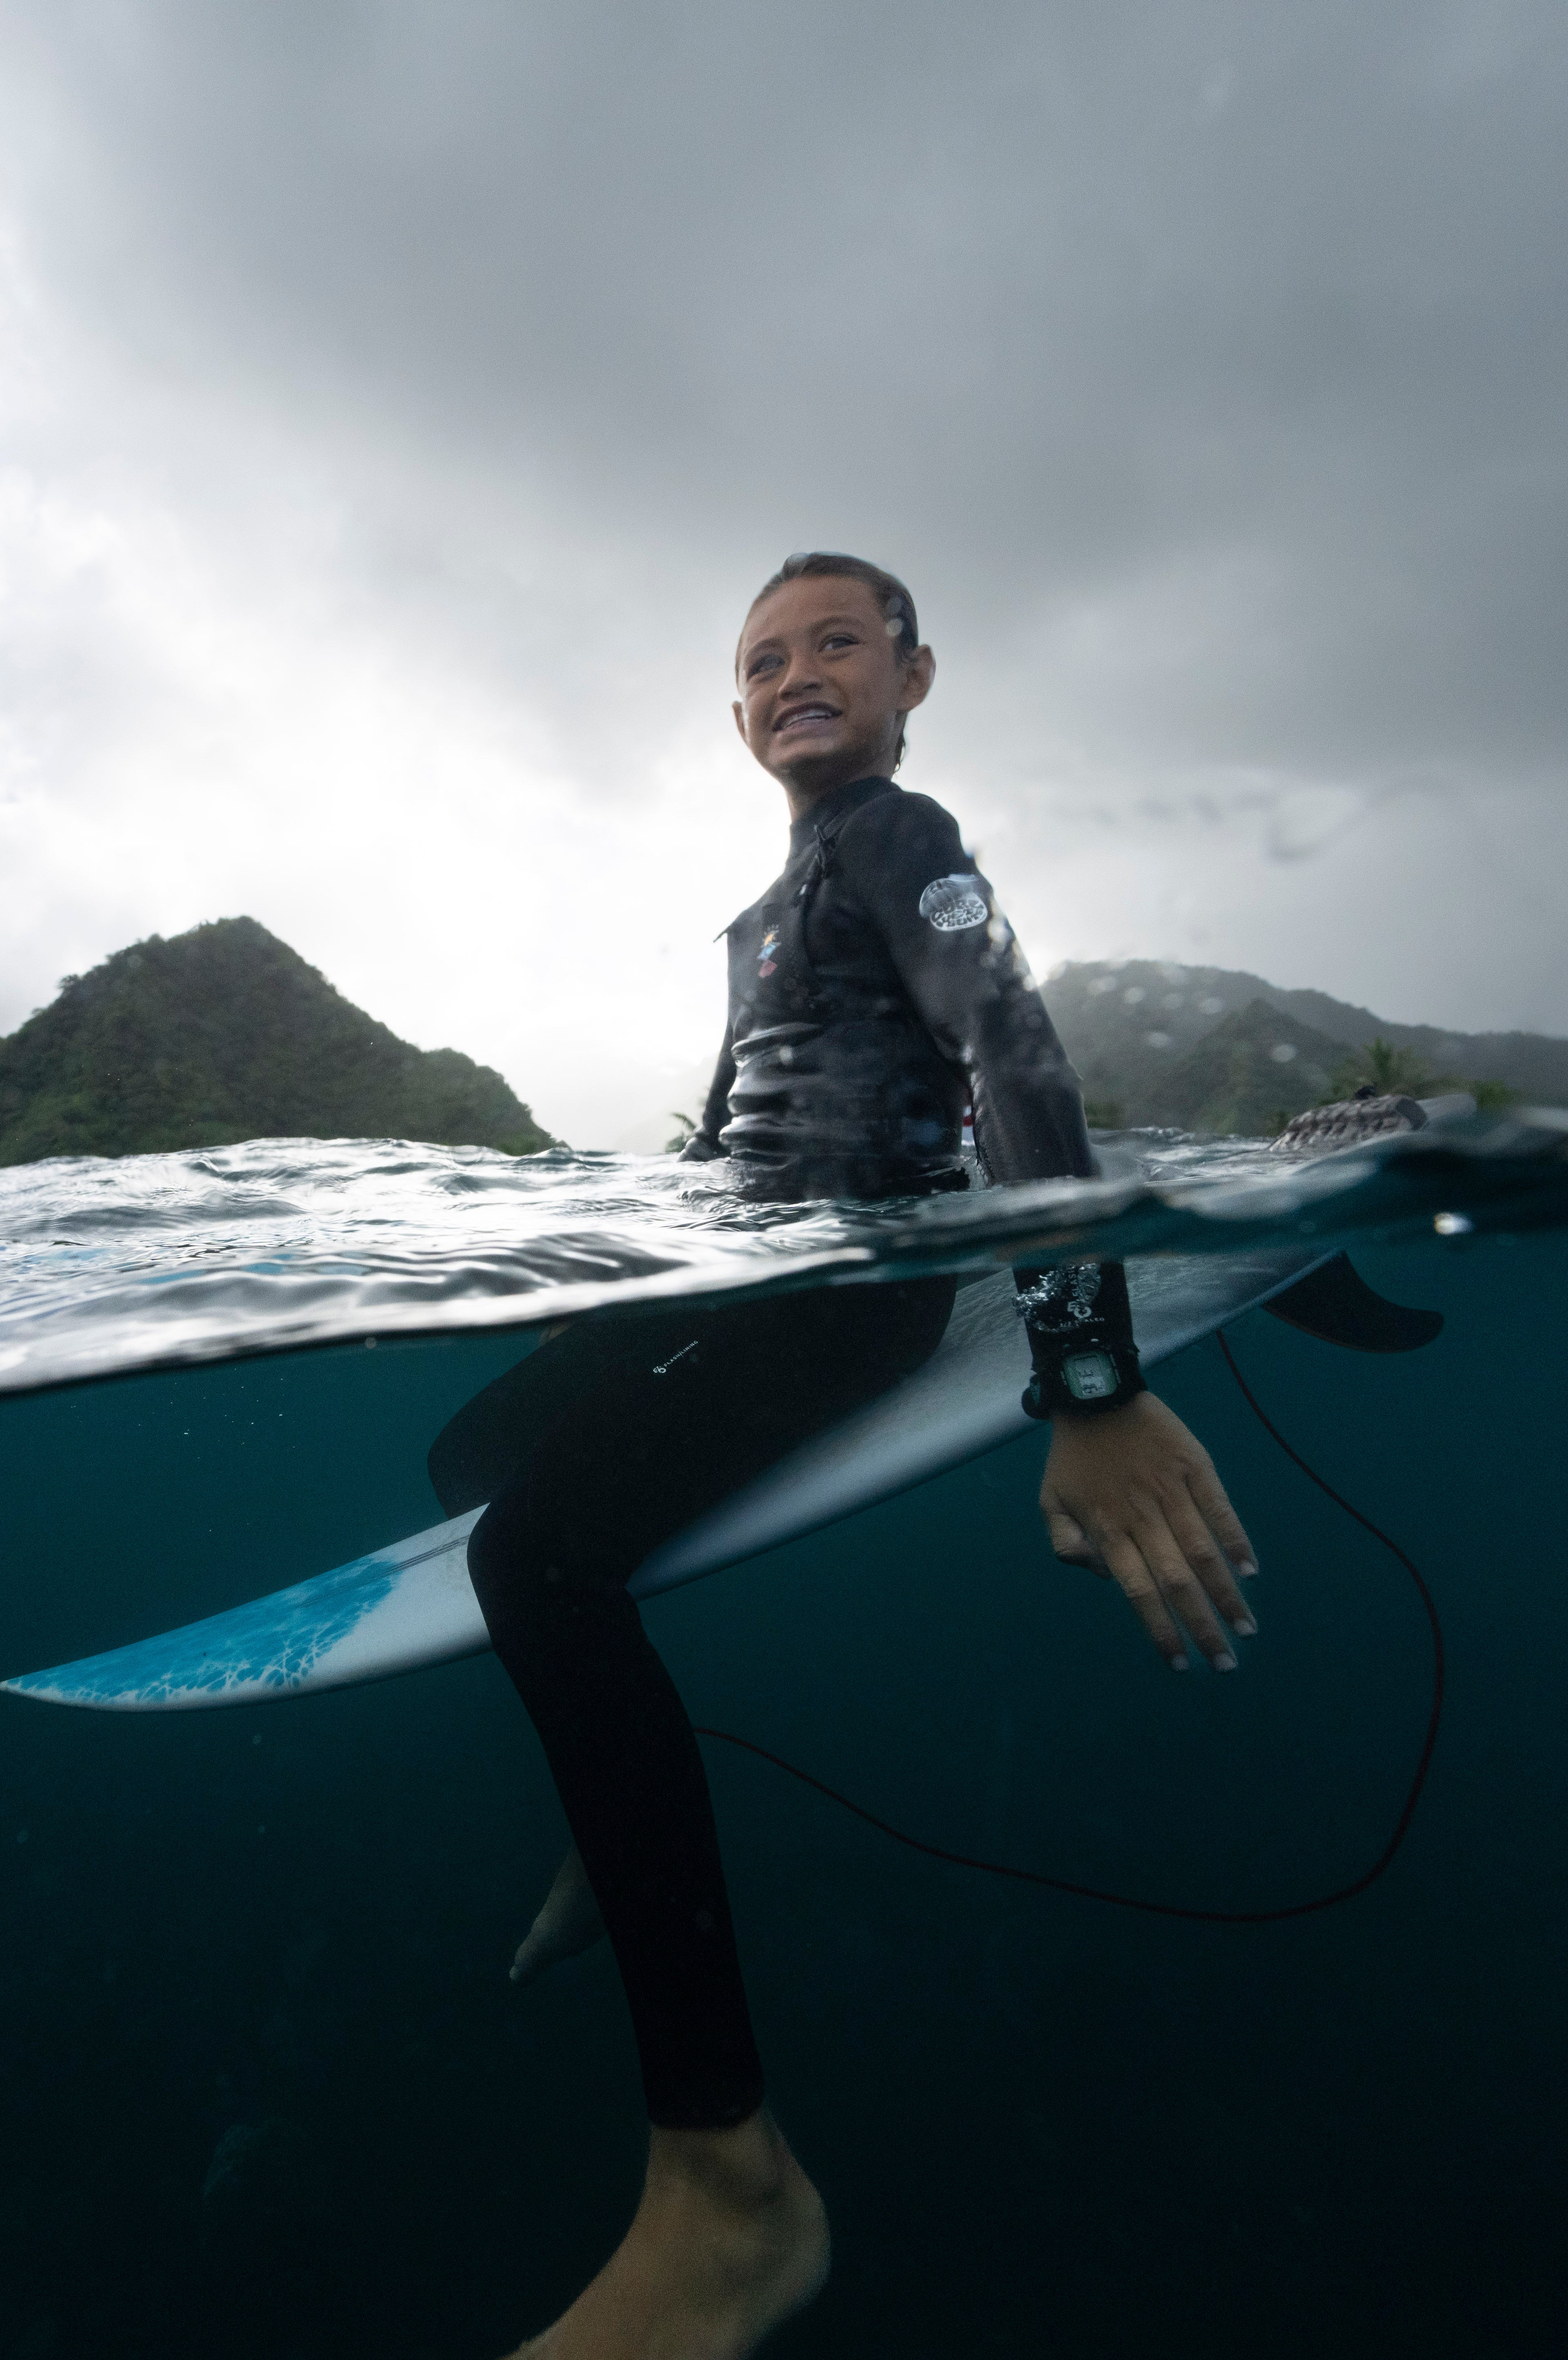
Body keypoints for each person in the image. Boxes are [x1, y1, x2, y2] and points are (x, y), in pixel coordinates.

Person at [467, 555, 1259, 2358]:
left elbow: (1013, 1052)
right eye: (764, 659)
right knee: (476, 1446)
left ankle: (731, 2187)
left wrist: (1089, 1378)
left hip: (850, 1302)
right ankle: (612, 1789)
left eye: (838, 644)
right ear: (735, 710)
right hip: (753, 1272)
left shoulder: (905, 835)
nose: (797, 673)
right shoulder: (765, 908)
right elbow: (738, 1135)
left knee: (534, 1561)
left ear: (915, 678)